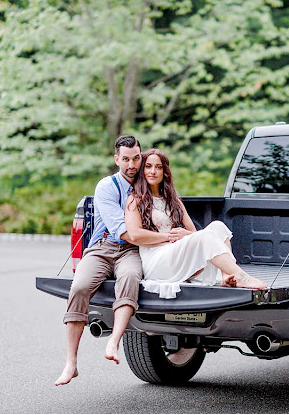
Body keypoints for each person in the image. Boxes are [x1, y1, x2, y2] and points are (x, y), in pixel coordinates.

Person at [55, 135, 143, 386]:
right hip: (103, 247)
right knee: (79, 286)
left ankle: (114, 341)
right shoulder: (107, 186)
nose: (131, 165)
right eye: (125, 159)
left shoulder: (147, 182)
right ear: (117, 159)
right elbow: (119, 229)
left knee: (130, 277)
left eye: (136, 158)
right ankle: (70, 364)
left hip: (132, 251)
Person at [125, 148, 268, 298]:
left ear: (164, 172)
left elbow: (193, 233)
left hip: (177, 253)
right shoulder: (135, 199)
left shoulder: (173, 201)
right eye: (148, 166)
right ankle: (240, 275)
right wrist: (169, 237)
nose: (153, 171)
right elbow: (135, 235)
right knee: (205, 236)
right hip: (157, 259)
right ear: (142, 170)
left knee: (217, 226)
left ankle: (226, 275)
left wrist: (184, 235)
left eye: (158, 167)